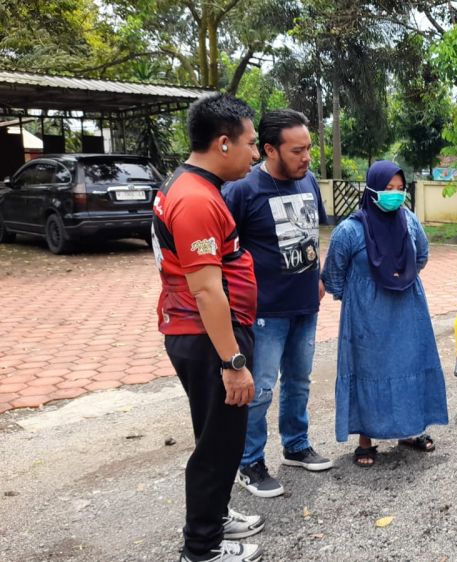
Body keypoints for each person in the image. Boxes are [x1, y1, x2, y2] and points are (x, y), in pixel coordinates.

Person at [151, 93, 264, 562]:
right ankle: (202, 548)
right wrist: (233, 362)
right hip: (209, 338)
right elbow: (206, 291)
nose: (255, 154)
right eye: (251, 143)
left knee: (217, 436)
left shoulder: (192, 185)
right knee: (218, 446)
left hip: (207, 335)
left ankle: (215, 517)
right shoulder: (195, 199)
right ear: (223, 143)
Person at [222, 109, 332, 499]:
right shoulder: (242, 190)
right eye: (297, 150)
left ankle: (296, 445)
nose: (306, 157)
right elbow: (225, 252)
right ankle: (249, 461)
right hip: (264, 312)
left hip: (305, 304)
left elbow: (310, 234)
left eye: (309, 148)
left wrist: (318, 275)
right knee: (261, 389)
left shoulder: (309, 182)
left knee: (299, 381)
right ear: (270, 149)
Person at [321, 160, 448, 467]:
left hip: (407, 309)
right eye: (388, 188)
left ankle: (410, 430)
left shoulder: (409, 221)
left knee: (409, 363)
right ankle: (366, 440)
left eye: (400, 188)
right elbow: (334, 275)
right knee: (370, 369)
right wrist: (363, 293)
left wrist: (399, 276)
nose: (396, 194)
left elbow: (422, 255)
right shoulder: (349, 230)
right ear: (372, 189)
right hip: (367, 316)